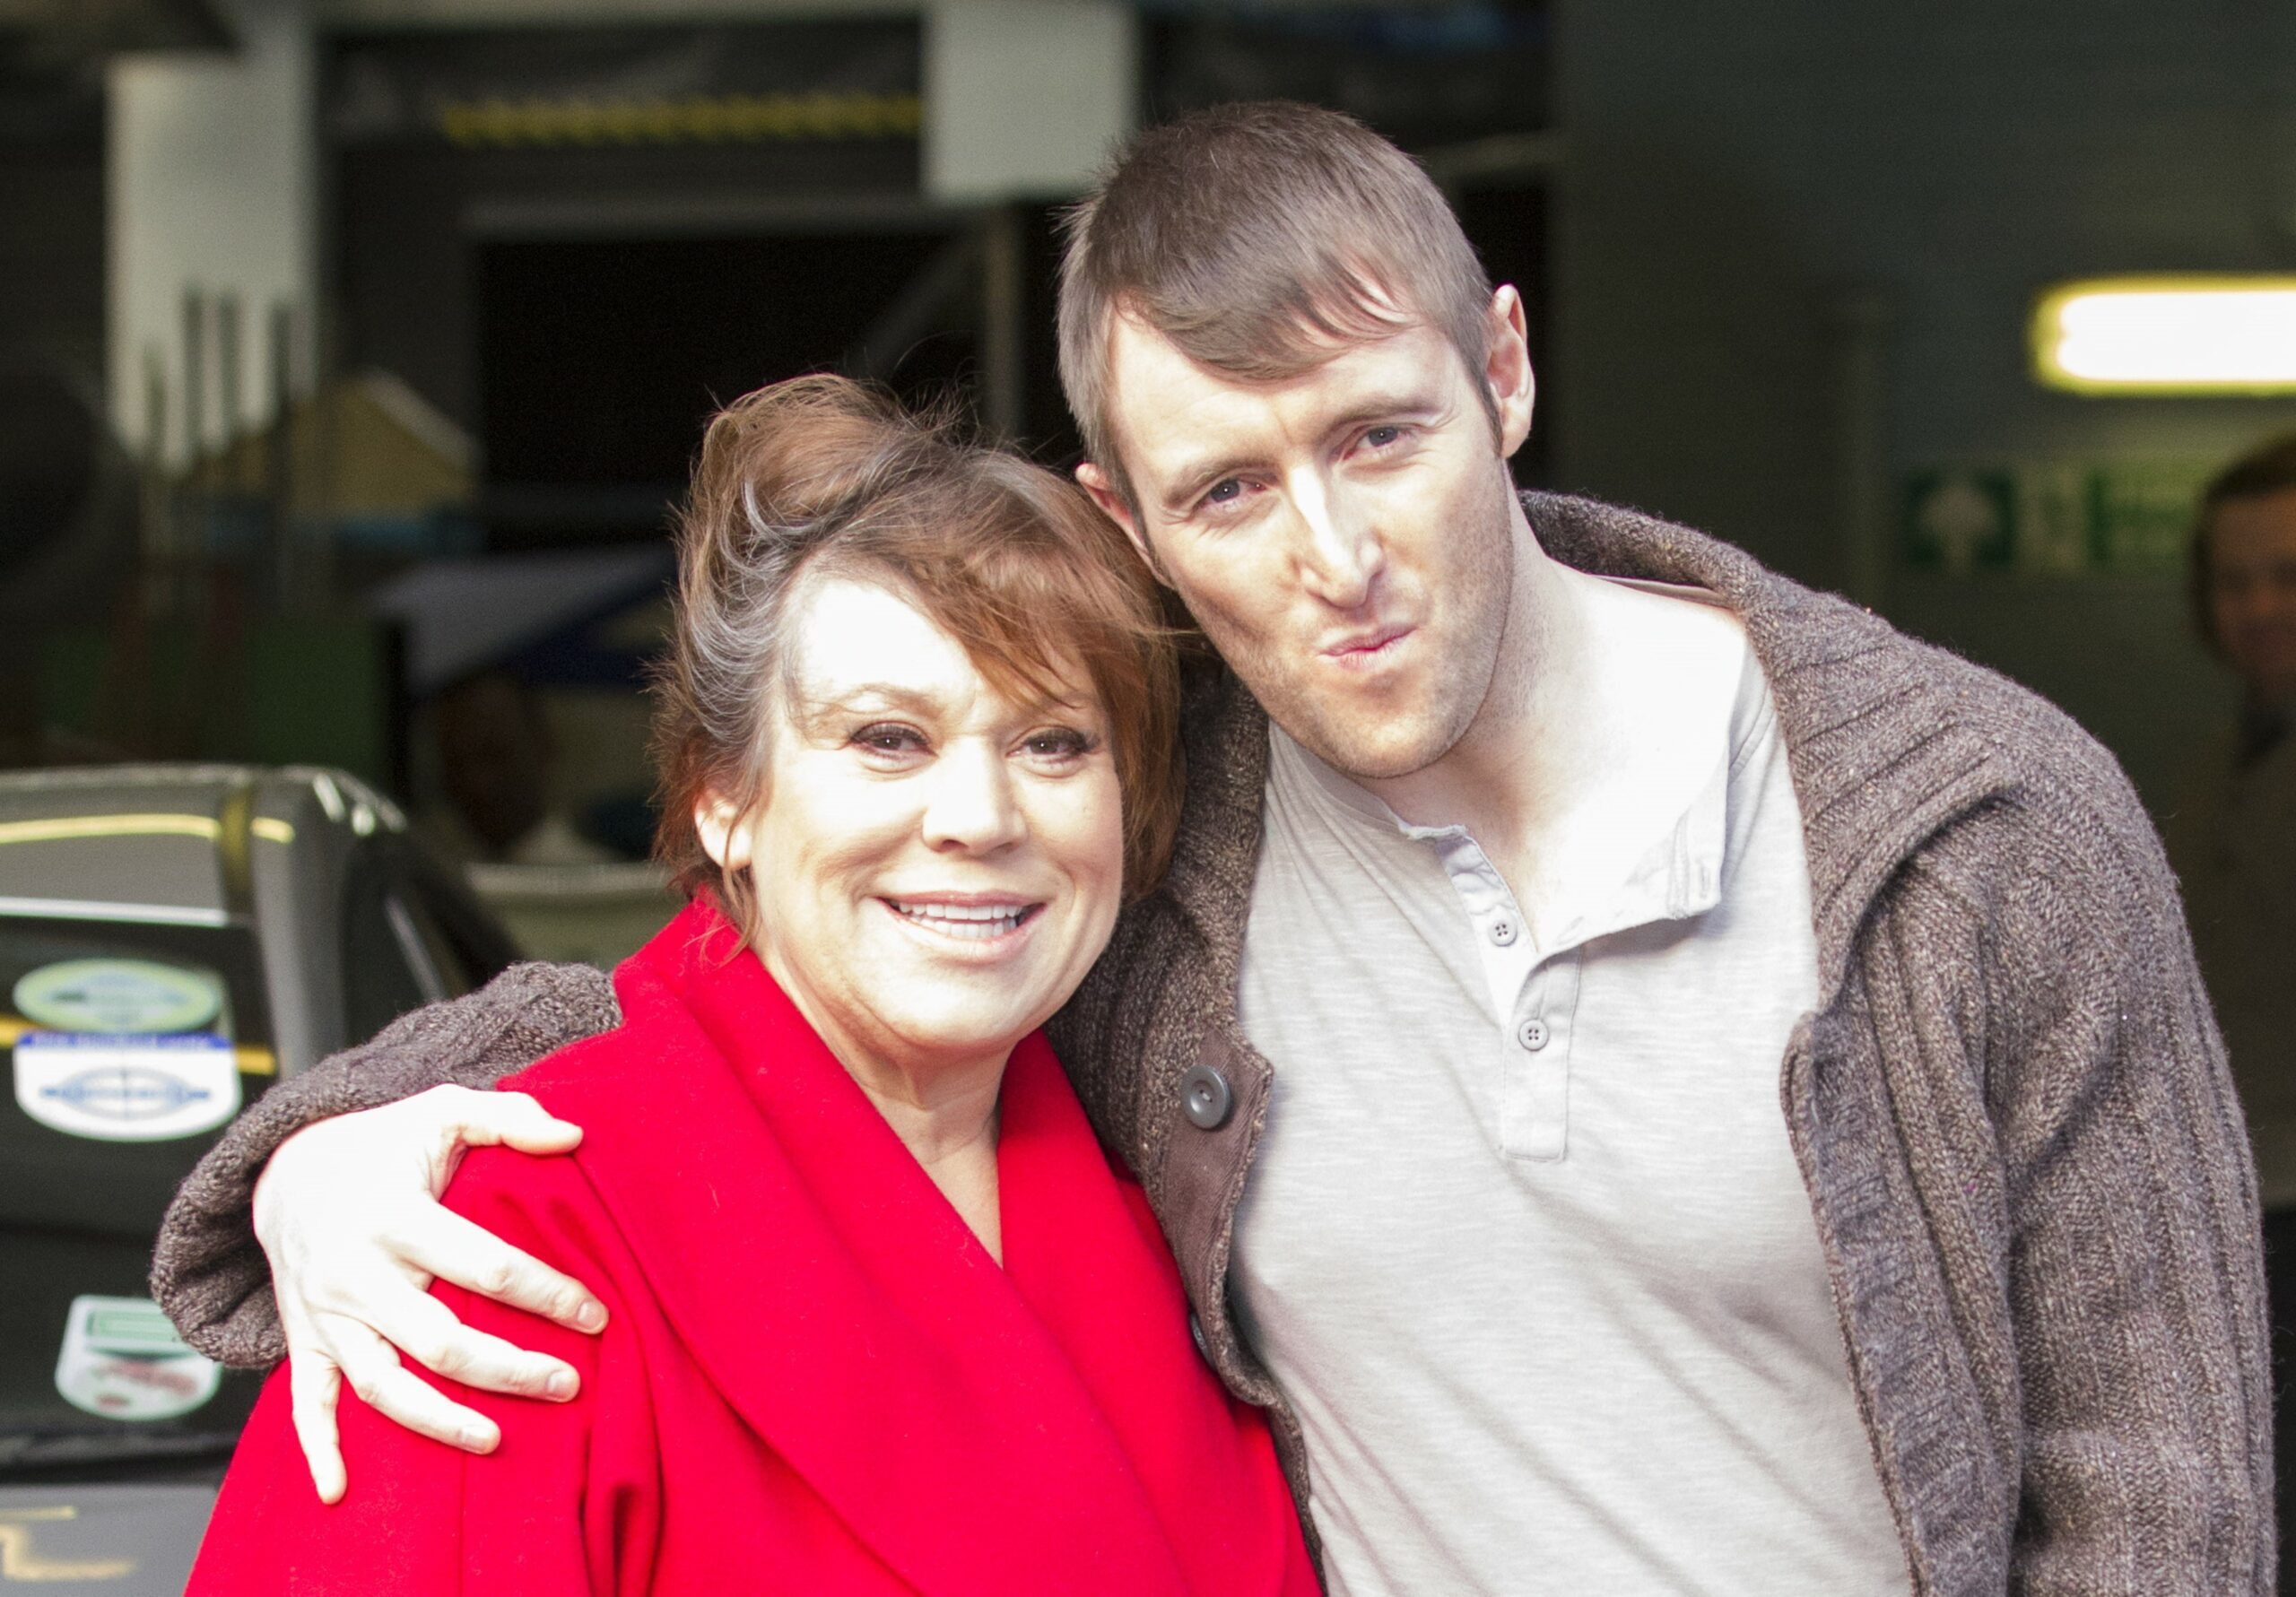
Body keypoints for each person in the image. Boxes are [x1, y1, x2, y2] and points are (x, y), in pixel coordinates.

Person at [156, 103, 2272, 1593]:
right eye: (1228, 488)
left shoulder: (1967, 835)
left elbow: (2159, 1499)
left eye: (1377, 433)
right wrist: (332, 1145)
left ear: (1502, 368)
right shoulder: (1184, 861)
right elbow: (765, 998)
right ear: (1130, 517)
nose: (1332, 555)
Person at [183, 375, 1318, 1595]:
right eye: (888, 738)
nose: (981, 816)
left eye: (1053, 742)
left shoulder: (1169, 1185)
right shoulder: (490, 1250)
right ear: (722, 796)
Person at [2163, 433, 2296, 1570]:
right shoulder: (2214, 765)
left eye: (2288, 576)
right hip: (2239, 1208)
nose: (2259, 607)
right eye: (2234, 579)